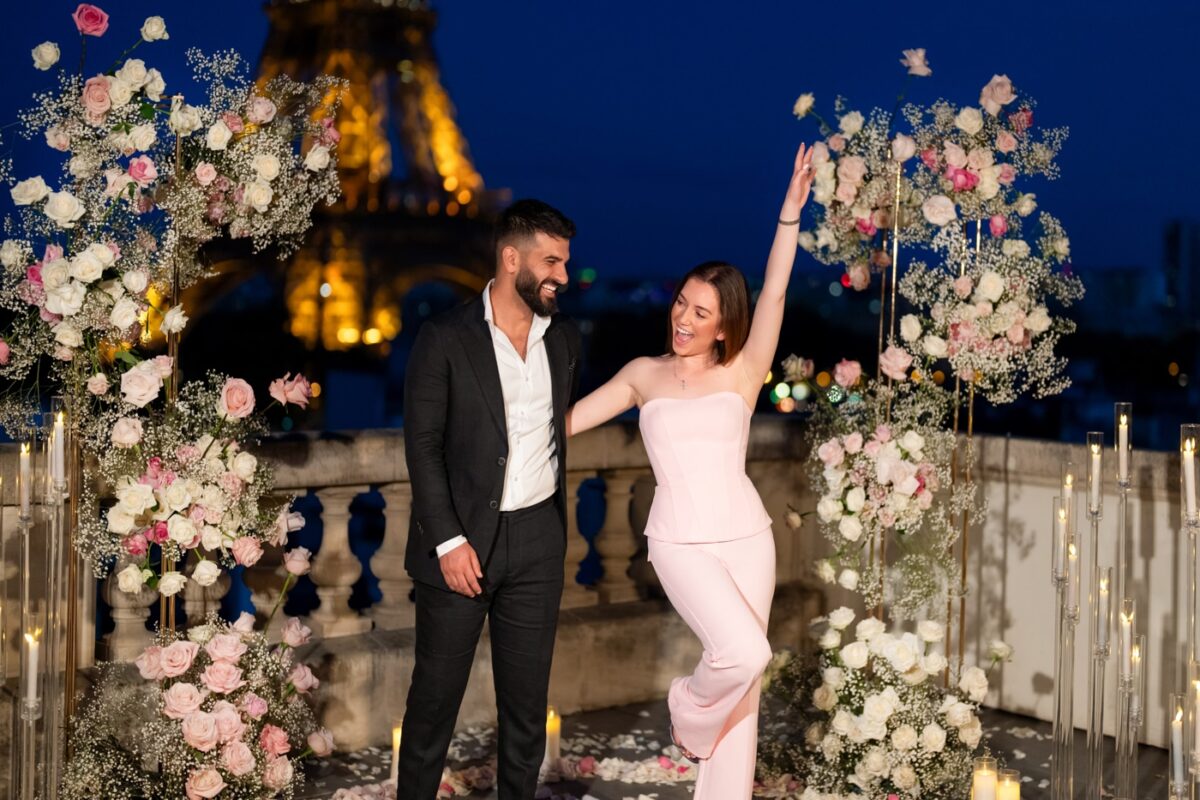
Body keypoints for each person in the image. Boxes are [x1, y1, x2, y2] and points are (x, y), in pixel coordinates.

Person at [566, 142, 815, 799]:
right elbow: (563, 425)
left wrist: (788, 216)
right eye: (681, 303)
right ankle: (686, 705)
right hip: (678, 542)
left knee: (746, 690)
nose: (683, 317)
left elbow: (779, 290)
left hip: (747, 538)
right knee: (746, 653)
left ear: (724, 326)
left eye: (700, 312)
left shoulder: (742, 373)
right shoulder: (643, 375)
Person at [397, 199, 582, 800]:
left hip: (538, 540)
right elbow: (422, 447)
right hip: (462, 543)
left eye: (566, 262)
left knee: (527, 711)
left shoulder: (566, 340)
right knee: (434, 705)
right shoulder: (445, 337)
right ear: (510, 258)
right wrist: (449, 540)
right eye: (550, 261)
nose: (562, 275)